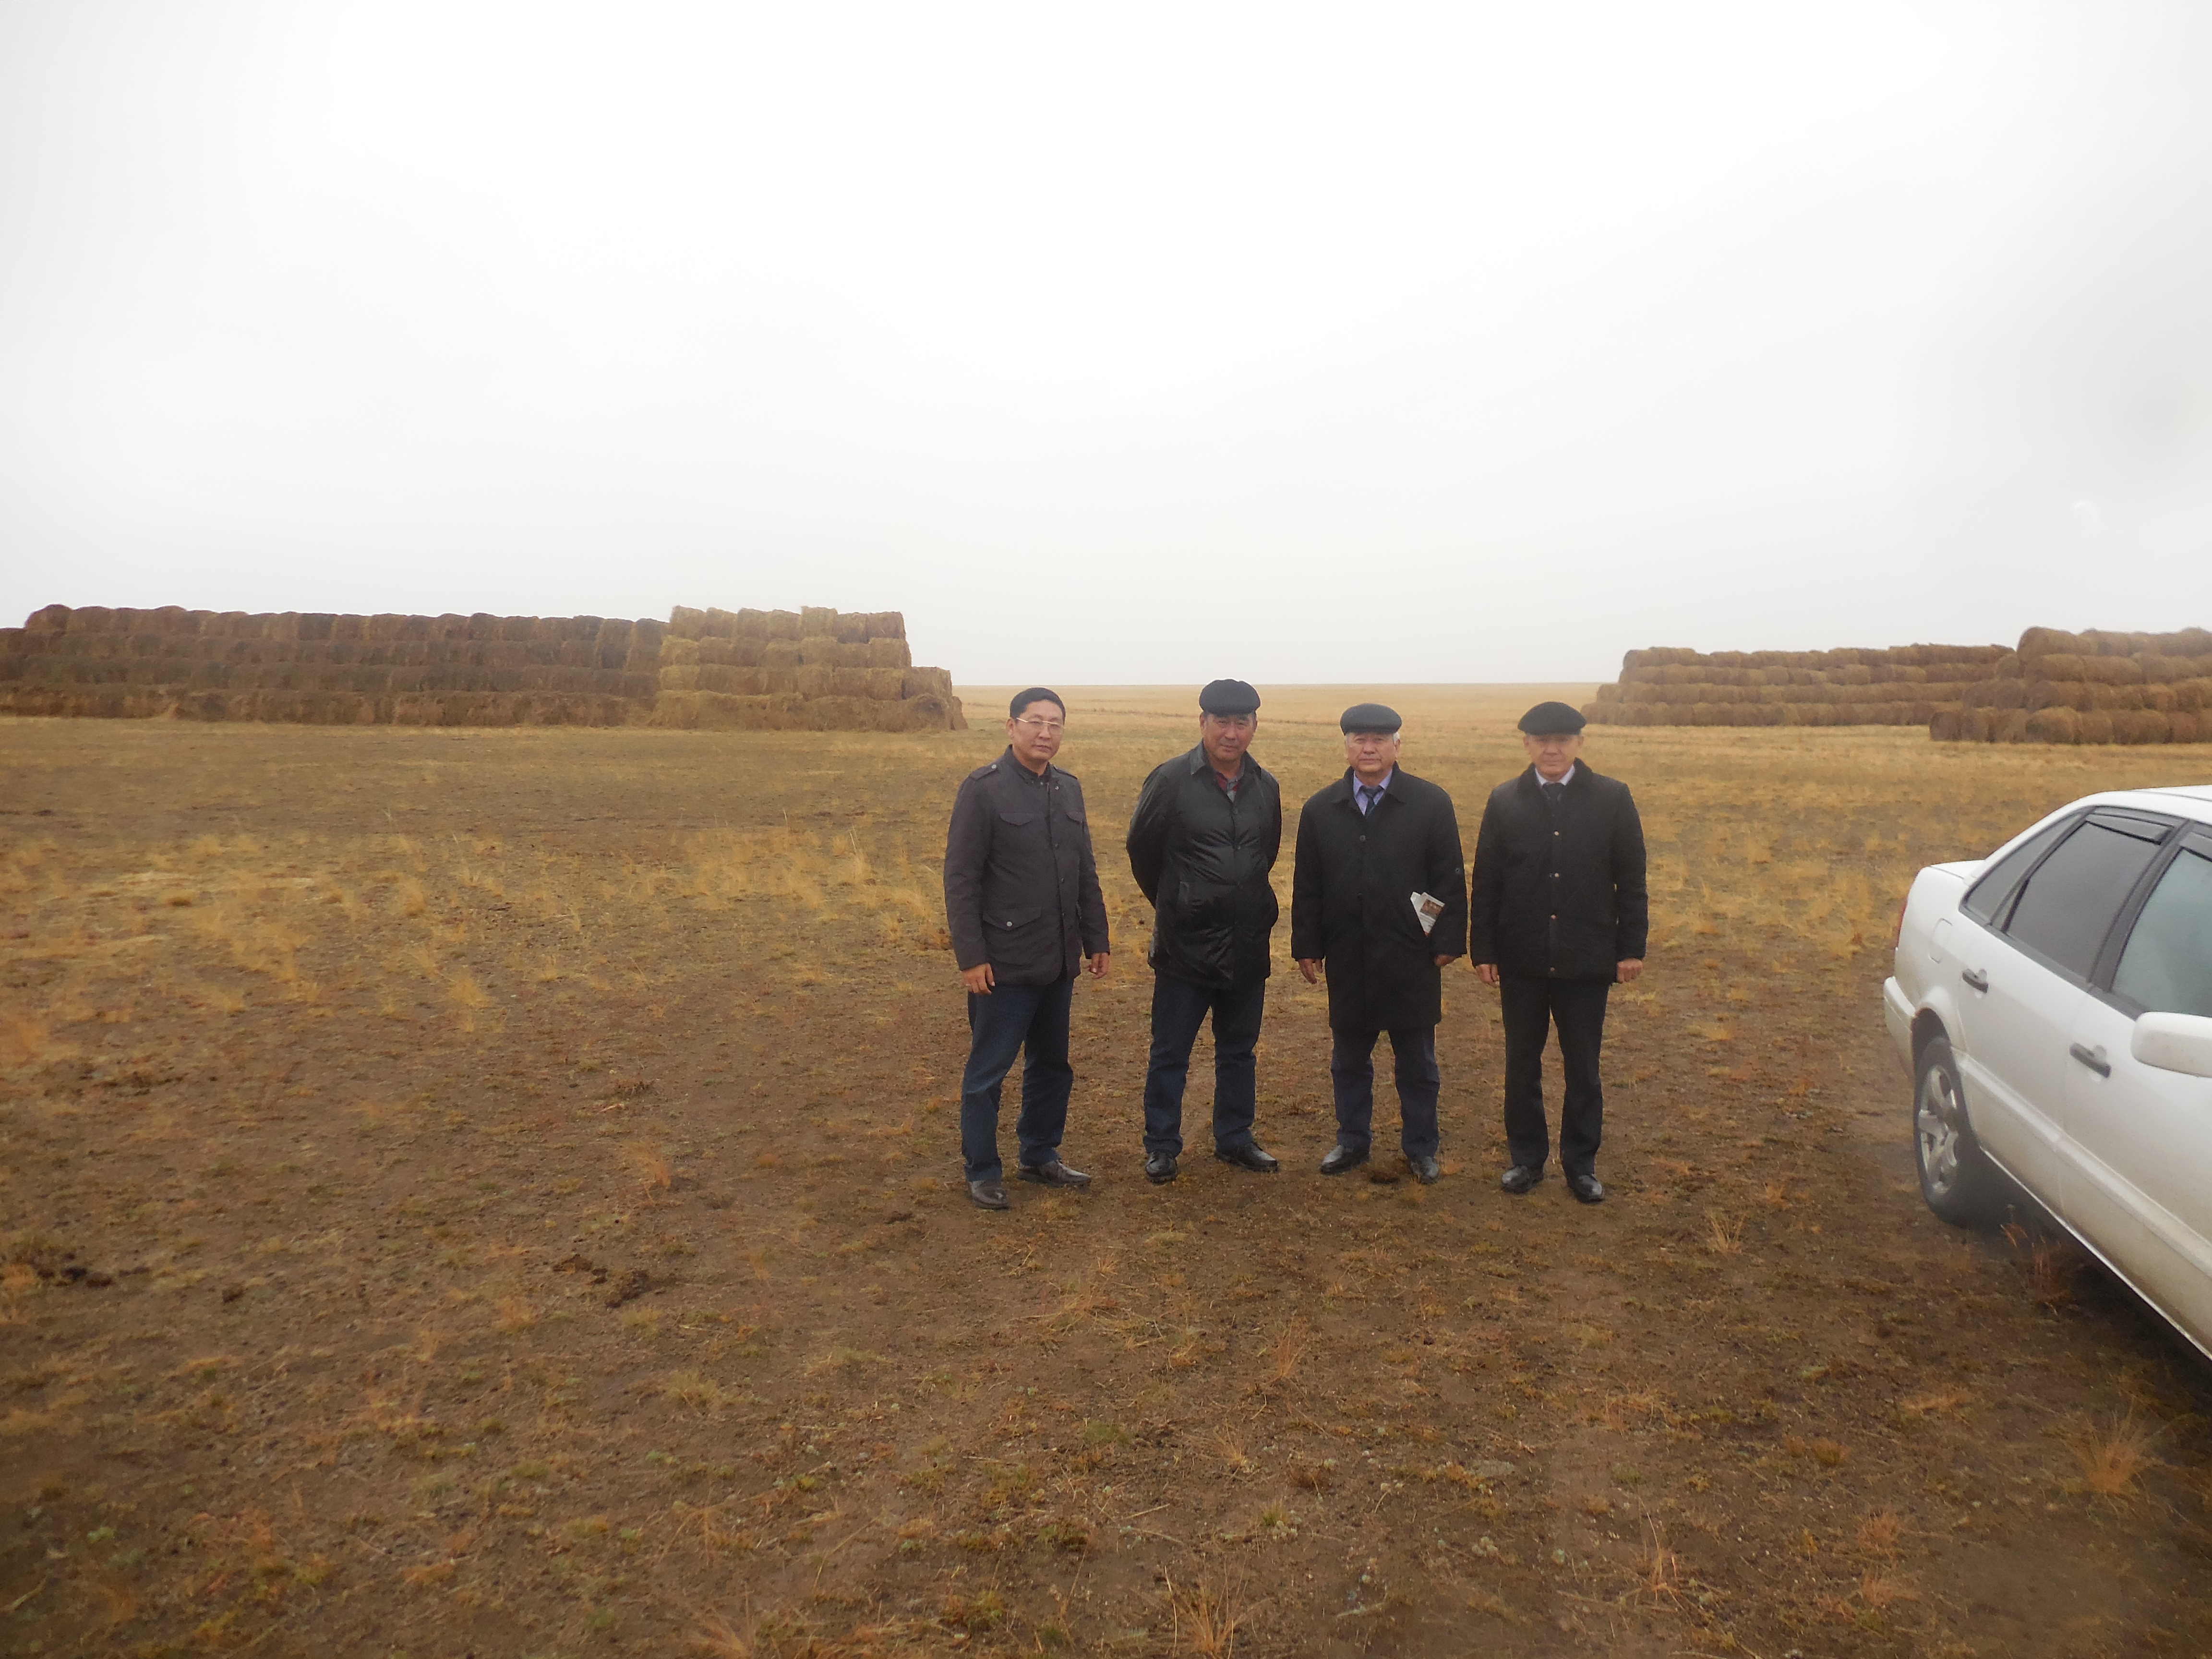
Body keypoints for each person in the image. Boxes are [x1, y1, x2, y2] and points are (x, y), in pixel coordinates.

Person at [1467, 700, 1648, 1205]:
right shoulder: (1505, 801)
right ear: (1526, 744)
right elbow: (1487, 882)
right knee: (1521, 1064)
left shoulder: (1612, 798)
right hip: (1522, 959)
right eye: (1543, 741)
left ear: (1580, 744)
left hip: (1586, 958)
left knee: (1583, 1067)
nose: (1553, 749)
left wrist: (1631, 948)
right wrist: (1483, 949)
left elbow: (1631, 880)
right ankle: (1526, 1160)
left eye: (1563, 740)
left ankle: (1581, 1164)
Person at [942, 688, 1112, 1210]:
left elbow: (1084, 870)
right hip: (1003, 963)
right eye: (1035, 722)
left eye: (1055, 724)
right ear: (1011, 727)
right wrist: (971, 957)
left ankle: (1040, 1154)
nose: (1045, 733)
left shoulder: (1068, 789)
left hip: (1057, 959)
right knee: (988, 1072)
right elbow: (961, 879)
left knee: (1052, 1066)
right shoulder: (984, 790)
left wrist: (1097, 938)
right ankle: (982, 1169)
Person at [1290, 703, 1467, 1182]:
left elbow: (1446, 878)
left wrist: (1441, 936)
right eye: (1360, 739)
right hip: (1348, 955)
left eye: (1379, 740)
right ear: (1346, 745)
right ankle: (1352, 1141)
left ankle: (1421, 1148)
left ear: (1397, 746)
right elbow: (1308, 884)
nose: (1369, 748)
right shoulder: (1321, 809)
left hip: (1412, 956)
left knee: (1418, 1064)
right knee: (1349, 1061)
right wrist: (1308, 944)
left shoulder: (1430, 803)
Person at [1125, 679, 1285, 1184]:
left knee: (1239, 1050)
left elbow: (1265, 854)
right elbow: (1142, 851)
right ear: (1202, 723)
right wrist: (1179, 902)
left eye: (1241, 723)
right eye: (1221, 722)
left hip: (1247, 945)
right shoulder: (1171, 780)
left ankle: (1235, 1138)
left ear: (1254, 727)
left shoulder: (1266, 786)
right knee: (1170, 1052)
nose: (1231, 734)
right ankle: (1162, 1146)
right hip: (1185, 949)